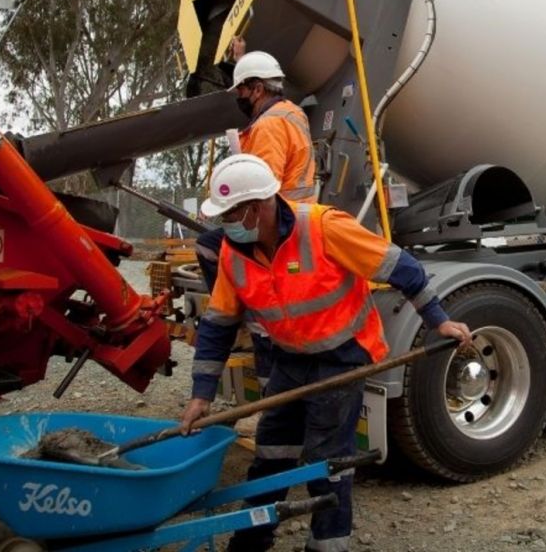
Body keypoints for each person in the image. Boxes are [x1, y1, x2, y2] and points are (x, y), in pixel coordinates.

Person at [180, 154, 472, 552]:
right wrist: (201, 395)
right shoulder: (235, 252)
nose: (225, 224)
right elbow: (217, 325)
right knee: (272, 450)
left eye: (230, 214)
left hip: (343, 355)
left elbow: (399, 266)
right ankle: (252, 539)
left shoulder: (322, 226)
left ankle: (327, 546)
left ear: (257, 208)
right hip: (290, 357)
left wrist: (439, 320)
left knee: (326, 461)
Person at [195, 43, 316, 392]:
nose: (240, 98)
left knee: (208, 247)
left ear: (258, 89)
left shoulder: (267, 127)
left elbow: (257, 191)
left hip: (274, 227)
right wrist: (237, 59)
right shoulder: (291, 113)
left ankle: (243, 317)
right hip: (297, 218)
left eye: (243, 90)